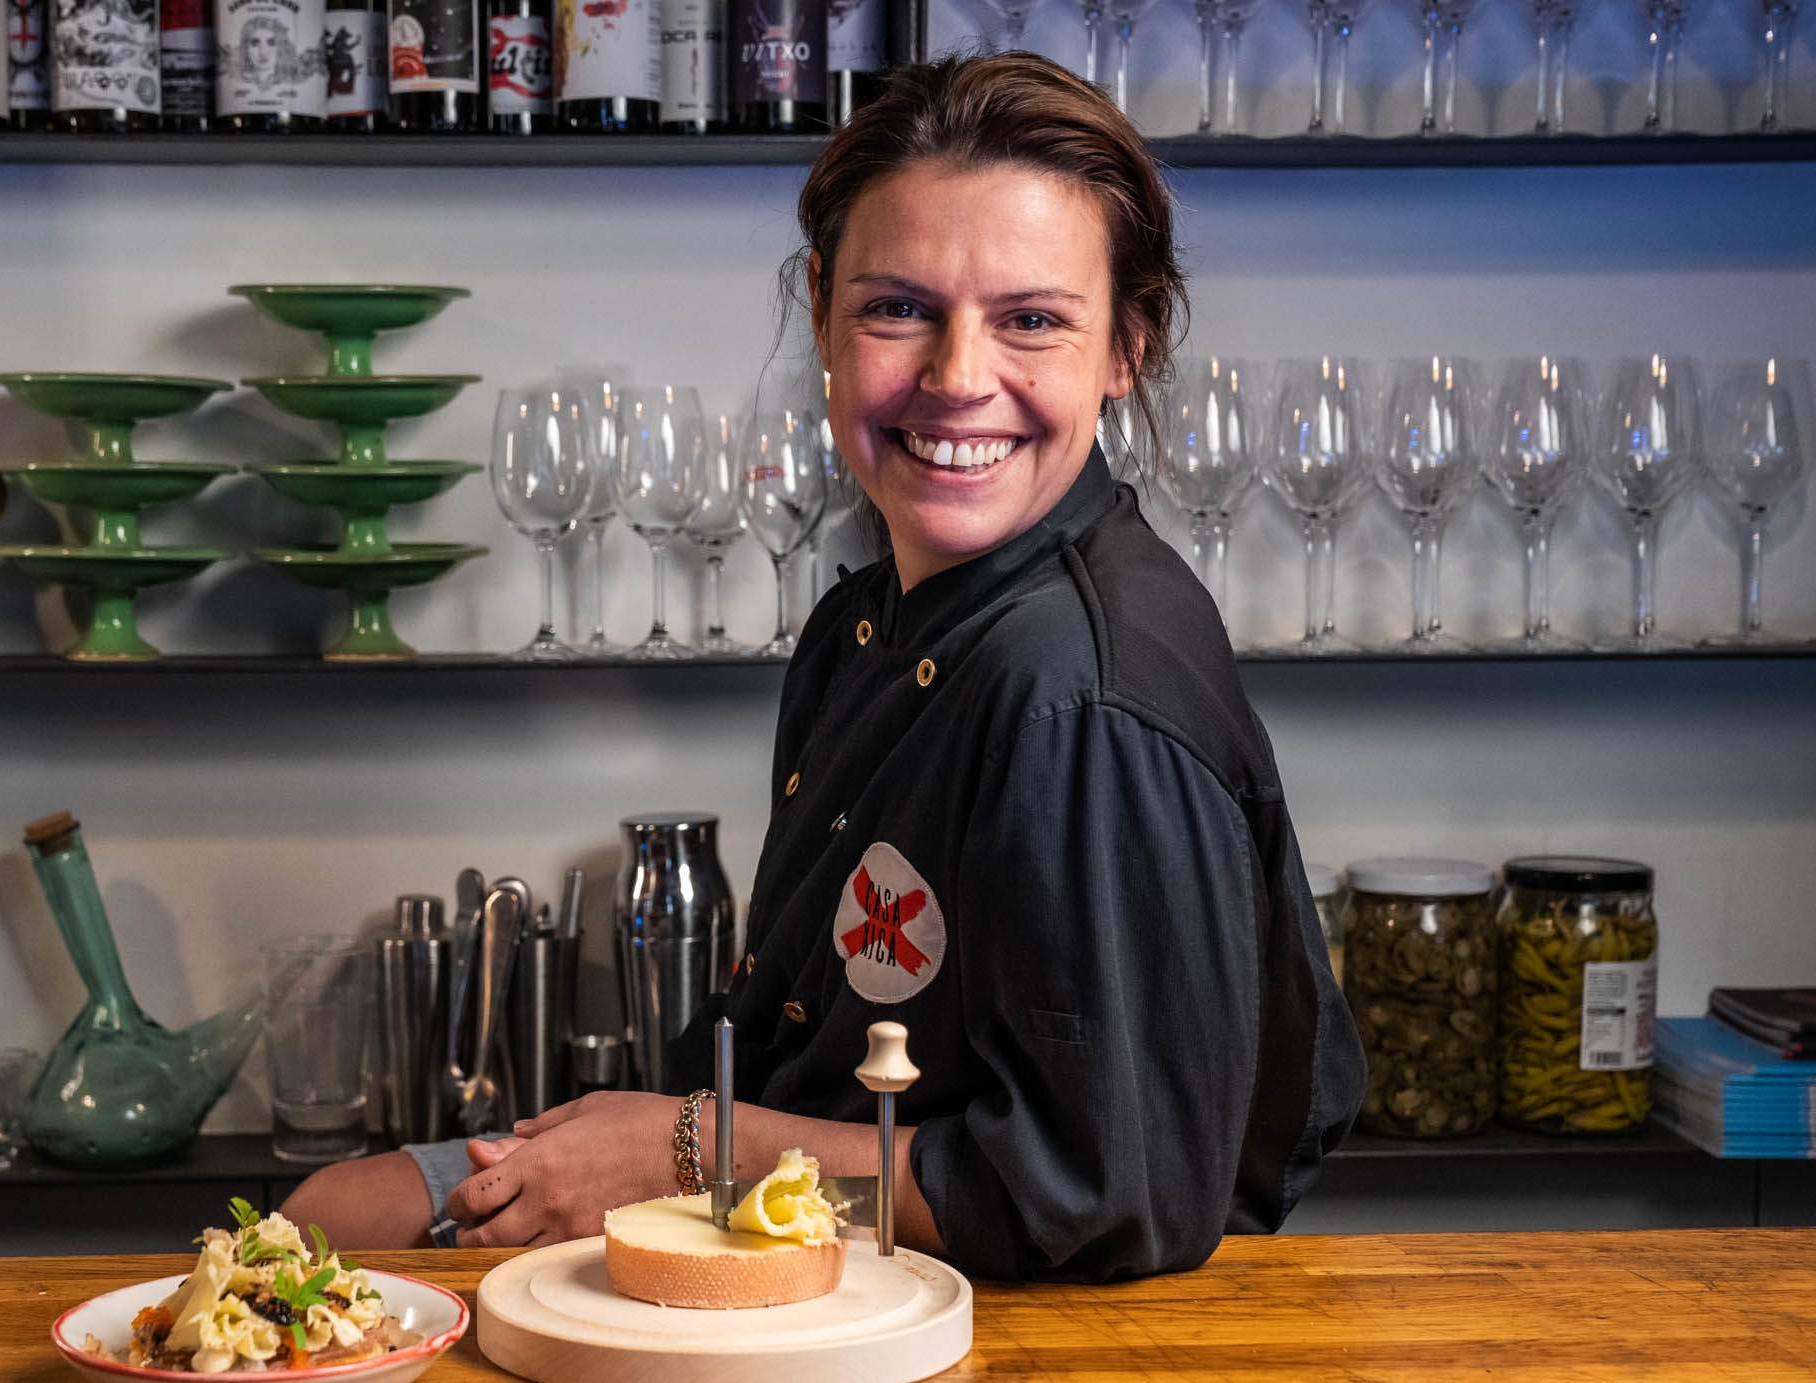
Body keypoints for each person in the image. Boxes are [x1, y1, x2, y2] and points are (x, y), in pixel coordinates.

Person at [285, 52, 1364, 1283]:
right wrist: (580, 1151)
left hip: (975, 1355)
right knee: (332, 1205)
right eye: (898, 308)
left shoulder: (1078, 700)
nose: (958, 378)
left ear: (1127, 344)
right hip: (790, 1264)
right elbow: (791, 1036)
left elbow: (1110, 1195)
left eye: (1031, 320)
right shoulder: (870, 625)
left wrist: (687, 1152)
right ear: (823, 316)